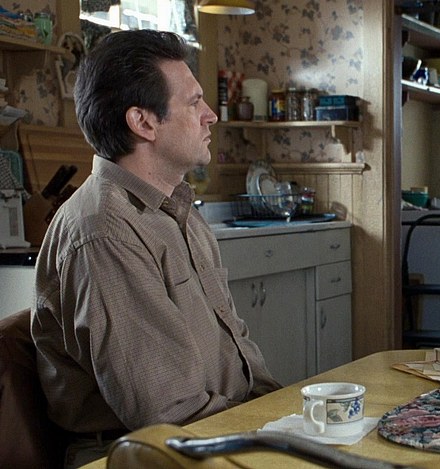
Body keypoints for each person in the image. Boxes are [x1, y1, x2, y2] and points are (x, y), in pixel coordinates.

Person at [30, 30, 280, 466]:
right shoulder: (104, 232)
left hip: (223, 433)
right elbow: (168, 414)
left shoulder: (177, 210)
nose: (210, 116)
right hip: (147, 455)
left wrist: (290, 416)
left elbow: (240, 355)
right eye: (194, 103)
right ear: (143, 123)